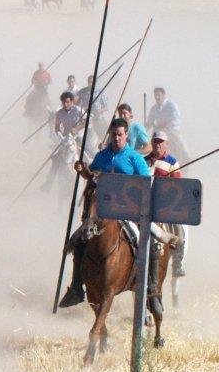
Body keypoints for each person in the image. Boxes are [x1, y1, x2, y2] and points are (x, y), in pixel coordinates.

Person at [59, 117, 153, 309]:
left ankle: (149, 282)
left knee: (145, 239)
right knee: (78, 240)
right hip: (101, 210)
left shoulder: (134, 158)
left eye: (120, 135)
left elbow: (145, 183)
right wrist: (82, 170)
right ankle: (77, 287)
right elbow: (91, 176)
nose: (116, 138)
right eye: (114, 134)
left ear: (126, 135)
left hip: (128, 210)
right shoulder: (102, 156)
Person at [147, 131, 187, 278]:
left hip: (165, 206)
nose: (158, 144)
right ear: (151, 143)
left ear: (166, 144)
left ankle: (177, 263)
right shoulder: (144, 160)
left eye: (161, 142)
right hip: (147, 204)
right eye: (155, 141)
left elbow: (178, 187)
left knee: (179, 231)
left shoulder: (172, 162)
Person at [146, 87, 187, 161]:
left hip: (171, 133)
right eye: (155, 95)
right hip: (158, 134)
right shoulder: (154, 108)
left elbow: (176, 120)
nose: (157, 97)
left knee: (182, 147)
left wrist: (165, 128)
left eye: (158, 95)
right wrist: (143, 130)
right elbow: (149, 123)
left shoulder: (171, 106)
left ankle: (186, 157)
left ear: (164, 95)